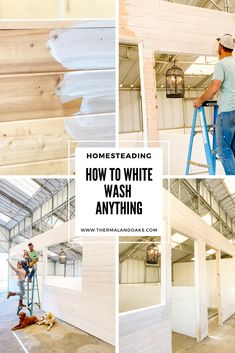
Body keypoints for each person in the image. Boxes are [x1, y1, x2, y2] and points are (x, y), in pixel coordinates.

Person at [193, 34, 235, 175]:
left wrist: (200, 100)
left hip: (228, 112)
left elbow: (214, 88)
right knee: (232, 149)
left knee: (222, 149)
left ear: (220, 47)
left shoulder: (221, 64)